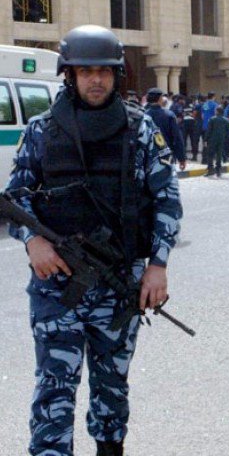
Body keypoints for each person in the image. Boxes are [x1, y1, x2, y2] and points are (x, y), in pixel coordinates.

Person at [3, 24, 183, 456]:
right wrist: (33, 241)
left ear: (116, 75)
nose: (96, 79)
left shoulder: (140, 131)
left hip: (120, 283)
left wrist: (157, 264)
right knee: (54, 388)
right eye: (86, 72)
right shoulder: (42, 131)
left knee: (112, 385)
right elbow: (13, 199)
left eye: (104, 71)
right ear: (70, 75)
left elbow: (167, 199)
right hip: (56, 286)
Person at [145, 88, 187, 170]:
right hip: (166, 156)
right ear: (160, 99)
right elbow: (177, 137)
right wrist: (182, 158)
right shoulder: (169, 115)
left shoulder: (143, 115)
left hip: (147, 157)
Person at [204, 106, 229, 177]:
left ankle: (210, 170)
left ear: (217, 111)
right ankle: (218, 170)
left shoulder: (212, 119)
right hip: (221, 140)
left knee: (210, 155)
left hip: (212, 140)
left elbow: (208, 131)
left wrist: (205, 139)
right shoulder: (226, 120)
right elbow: (228, 132)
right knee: (219, 154)